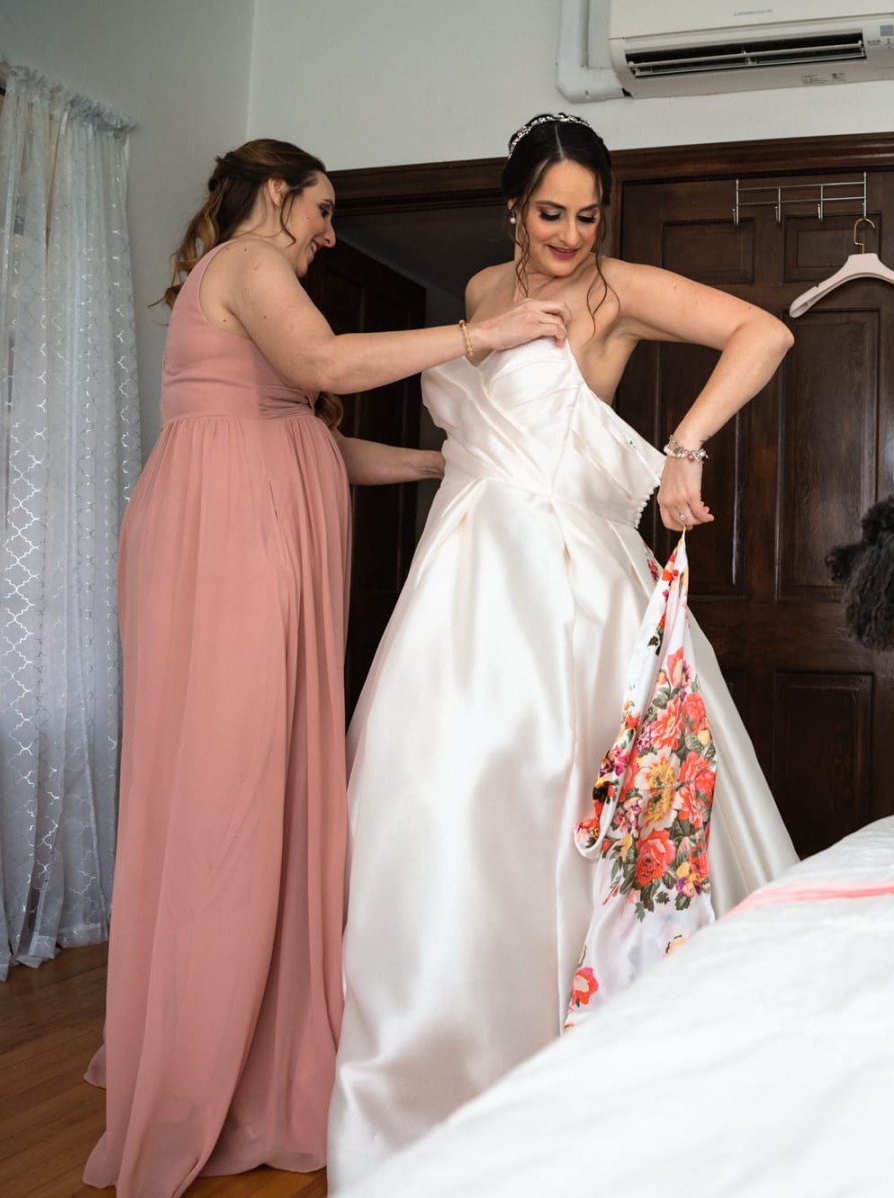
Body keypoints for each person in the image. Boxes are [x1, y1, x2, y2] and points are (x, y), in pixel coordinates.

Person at [85, 138, 570, 1198]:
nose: (329, 232)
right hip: (227, 547)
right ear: (276, 195)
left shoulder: (254, 286)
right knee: (230, 794)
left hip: (251, 534)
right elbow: (326, 369)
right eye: (322, 209)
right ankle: (201, 1060)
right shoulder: (248, 261)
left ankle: (249, 1039)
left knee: (271, 790)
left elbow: (313, 435)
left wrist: (450, 463)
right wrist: (483, 333)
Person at [326, 114, 800, 1186]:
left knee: (569, 796)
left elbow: (762, 334)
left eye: (588, 216)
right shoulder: (480, 292)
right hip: (459, 576)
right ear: (514, 207)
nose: (571, 236)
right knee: (439, 795)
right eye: (551, 213)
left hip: (564, 584)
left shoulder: (610, 293)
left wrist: (685, 445)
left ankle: (594, 1060)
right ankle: (448, 1053)